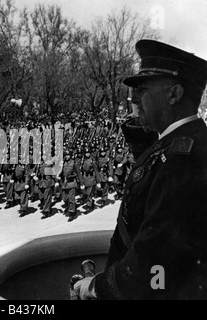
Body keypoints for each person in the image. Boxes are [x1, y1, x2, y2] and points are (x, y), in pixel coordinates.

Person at [73, 39, 207, 300]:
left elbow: (154, 259)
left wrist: (94, 288)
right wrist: (144, 123)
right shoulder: (183, 144)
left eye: (142, 89)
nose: (134, 98)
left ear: (174, 95)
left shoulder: (184, 159)